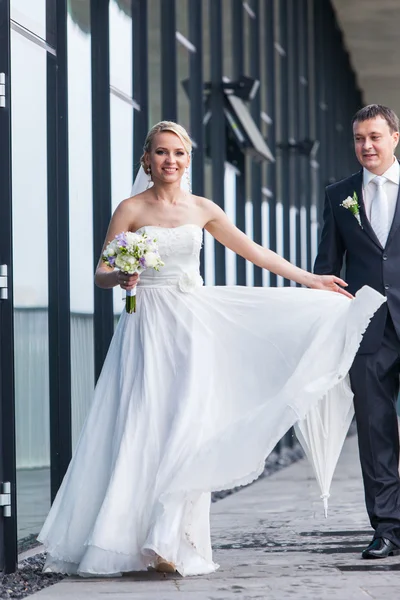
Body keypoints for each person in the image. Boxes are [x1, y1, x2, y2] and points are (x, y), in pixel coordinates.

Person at [38, 121, 385, 576]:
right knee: (142, 426)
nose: (170, 161)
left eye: (179, 153)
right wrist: (121, 276)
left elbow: (256, 252)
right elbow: (101, 272)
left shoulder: (203, 208)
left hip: (191, 330)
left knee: (186, 428)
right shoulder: (130, 208)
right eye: (162, 153)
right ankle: (126, 539)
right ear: (147, 159)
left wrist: (312, 279)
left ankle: (170, 541)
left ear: (188, 160)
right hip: (144, 329)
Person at [314, 104, 400, 559]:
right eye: (359, 139)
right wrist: (328, 321)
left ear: (395, 138)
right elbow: (327, 268)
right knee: (375, 431)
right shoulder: (339, 195)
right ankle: (387, 528)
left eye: (374, 137)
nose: (366, 146)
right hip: (368, 330)